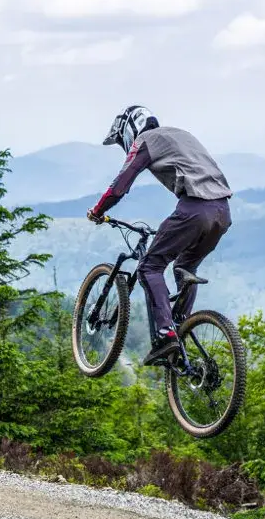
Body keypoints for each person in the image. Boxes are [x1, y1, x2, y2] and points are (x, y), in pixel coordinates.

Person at [87, 105, 233, 365]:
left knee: (149, 267)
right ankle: (181, 330)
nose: (125, 146)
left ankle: (166, 334)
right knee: (184, 267)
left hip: (195, 210)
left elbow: (120, 185)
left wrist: (98, 211)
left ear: (130, 129)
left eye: (123, 140)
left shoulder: (145, 141)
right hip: (222, 212)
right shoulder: (179, 134)